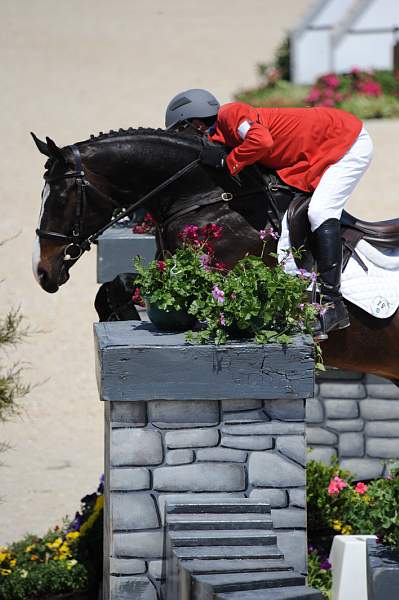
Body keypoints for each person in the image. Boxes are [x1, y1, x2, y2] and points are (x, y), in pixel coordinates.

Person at [164, 88, 373, 336]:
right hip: (319, 148)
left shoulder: (231, 114)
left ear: (196, 123)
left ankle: (333, 305)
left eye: (180, 131)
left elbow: (261, 141)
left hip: (347, 141)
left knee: (320, 211)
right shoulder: (222, 136)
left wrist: (226, 162)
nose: (181, 139)